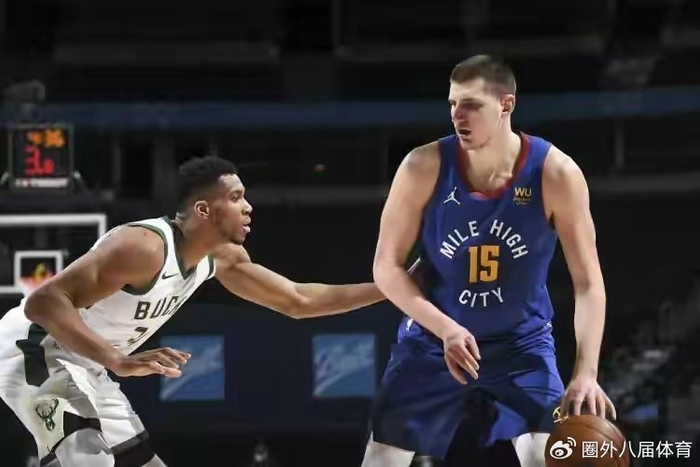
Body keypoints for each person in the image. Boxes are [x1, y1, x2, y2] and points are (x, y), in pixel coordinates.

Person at [0, 156, 385, 467]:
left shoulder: (221, 257)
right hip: (34, 349)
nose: (248, 207)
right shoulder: (143, 247)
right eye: (236, 198)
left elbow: (300, 300)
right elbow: (43, 302)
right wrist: (117, 360)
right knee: (87, 457)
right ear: (203, 209)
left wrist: (391, 289)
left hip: (89, 364)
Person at [363, 55, 616, 467]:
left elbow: (588, 284)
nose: (457, 116)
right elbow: (386, 268)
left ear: (506, 105)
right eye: (452, 104)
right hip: (432, 342)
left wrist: (586, 373)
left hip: (520, 347)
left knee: (546, 457)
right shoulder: (422, 167)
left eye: (471, 105)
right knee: (381, 460)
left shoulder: (556, 174)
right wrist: (445, 329)